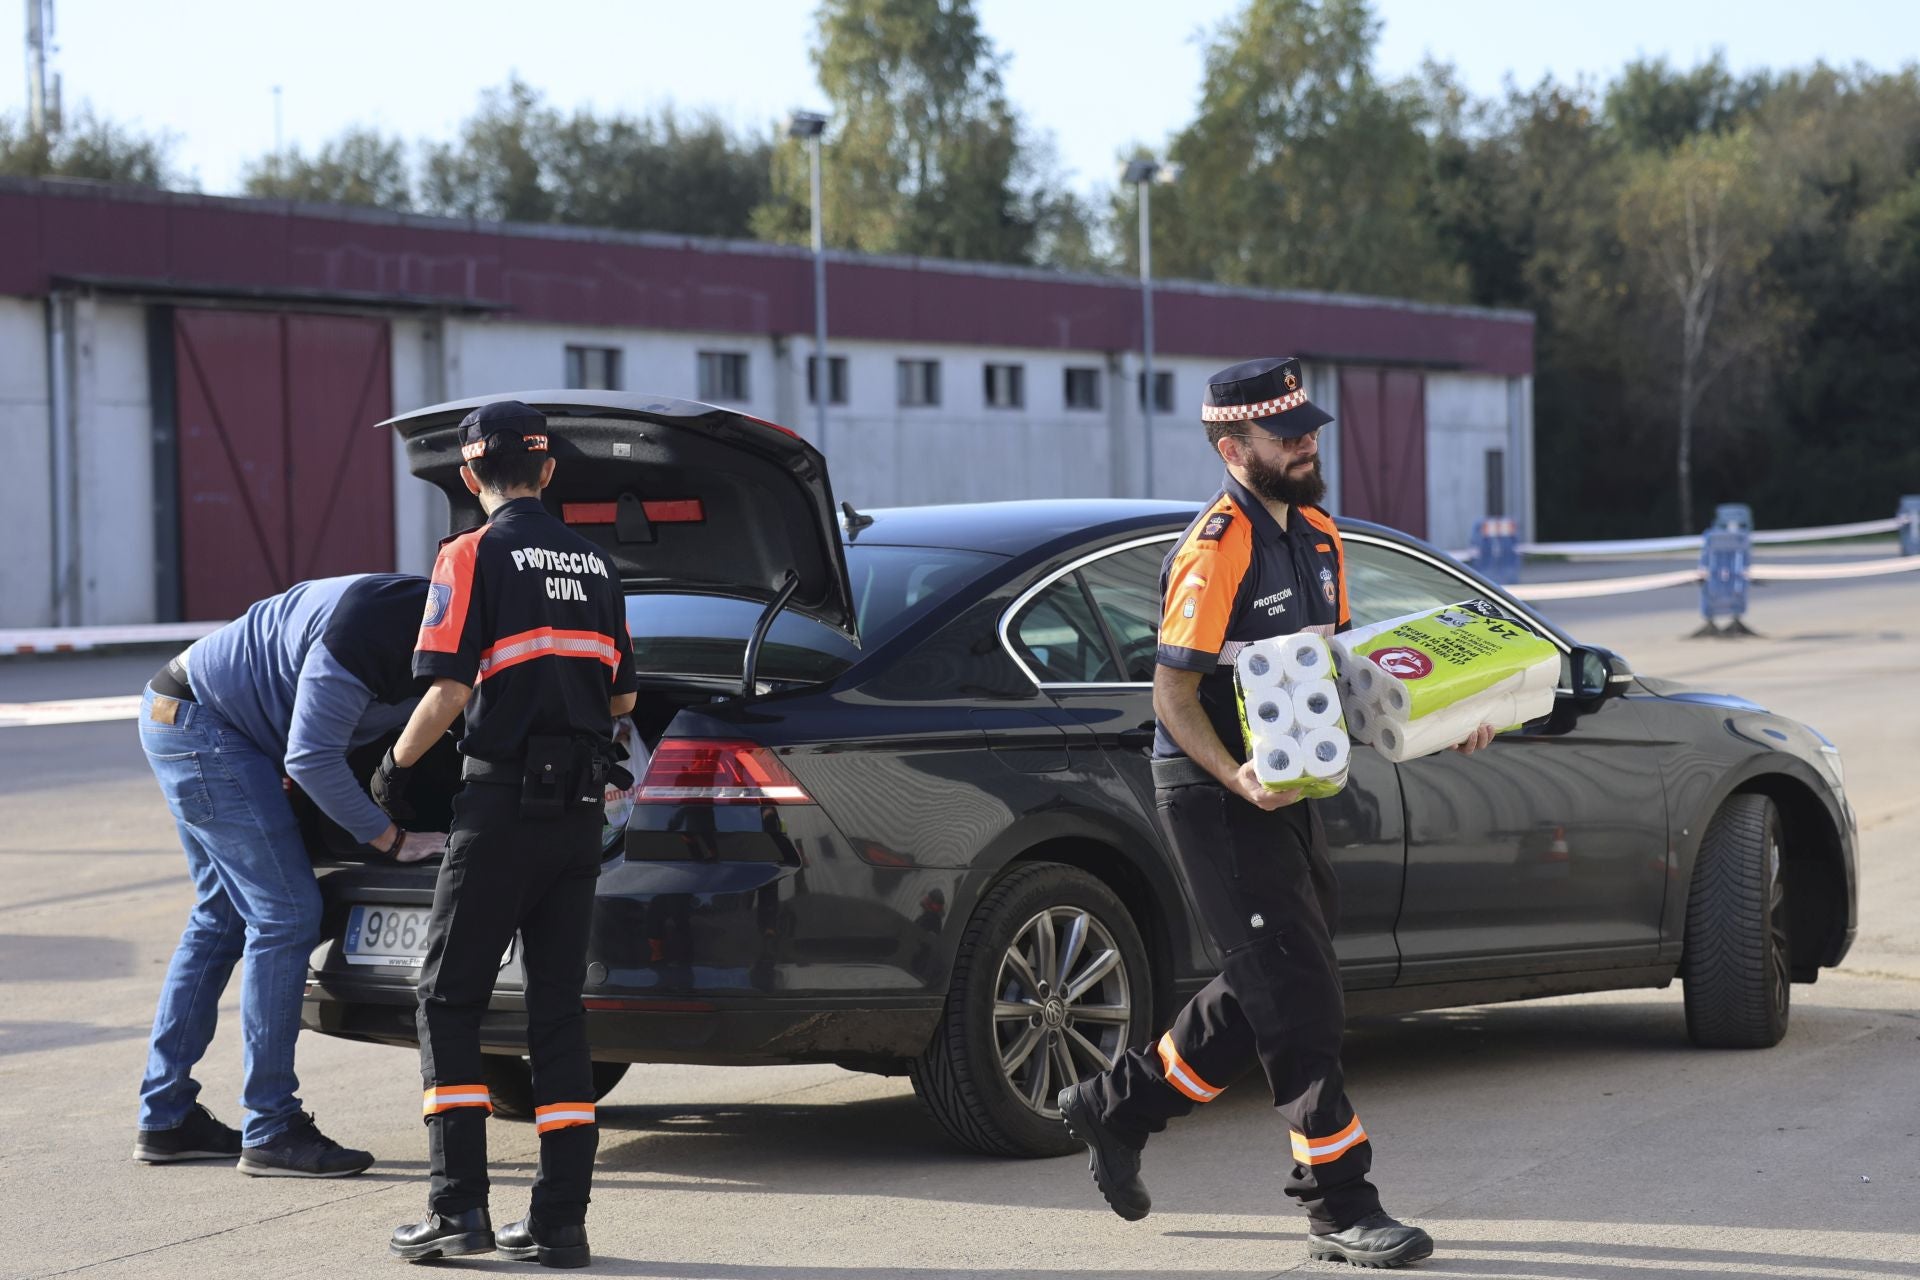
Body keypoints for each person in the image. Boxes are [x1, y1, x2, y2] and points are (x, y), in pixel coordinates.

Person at [1056, 357, 1495, 1270]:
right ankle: (1339, 1207)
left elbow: (1335, 680)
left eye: (1311, 430)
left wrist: (1438, 723)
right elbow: (1172, 695)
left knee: (1267, 990)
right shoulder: (1217, 549)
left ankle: (1117, 1106)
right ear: (1232, 448)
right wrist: (1237, 780)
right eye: (1286, 435)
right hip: (1216, 796)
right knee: (1299, 999)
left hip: (1291, 790)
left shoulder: (1321, 536)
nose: (1309, 444)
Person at [382, 401, 637, 1267]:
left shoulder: (469, 554)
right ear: (550, 471)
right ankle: (562, 1220)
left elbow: (447, 688)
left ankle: (459, 1213)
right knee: (558, 1013)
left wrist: (393, 768)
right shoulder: (600, 563)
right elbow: (625, 701)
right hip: (577, 819)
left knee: (448, 1002)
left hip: (497, 813)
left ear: (468, 475)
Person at [133, 573, 445, 1176]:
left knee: (220, 918)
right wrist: (392, 839)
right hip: (206, 727)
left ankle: (166, 1118)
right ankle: (272, 1126)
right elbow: (310, 756)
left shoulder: (451, 620)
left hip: (200, 719)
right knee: (286, 914)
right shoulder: (372, 630)